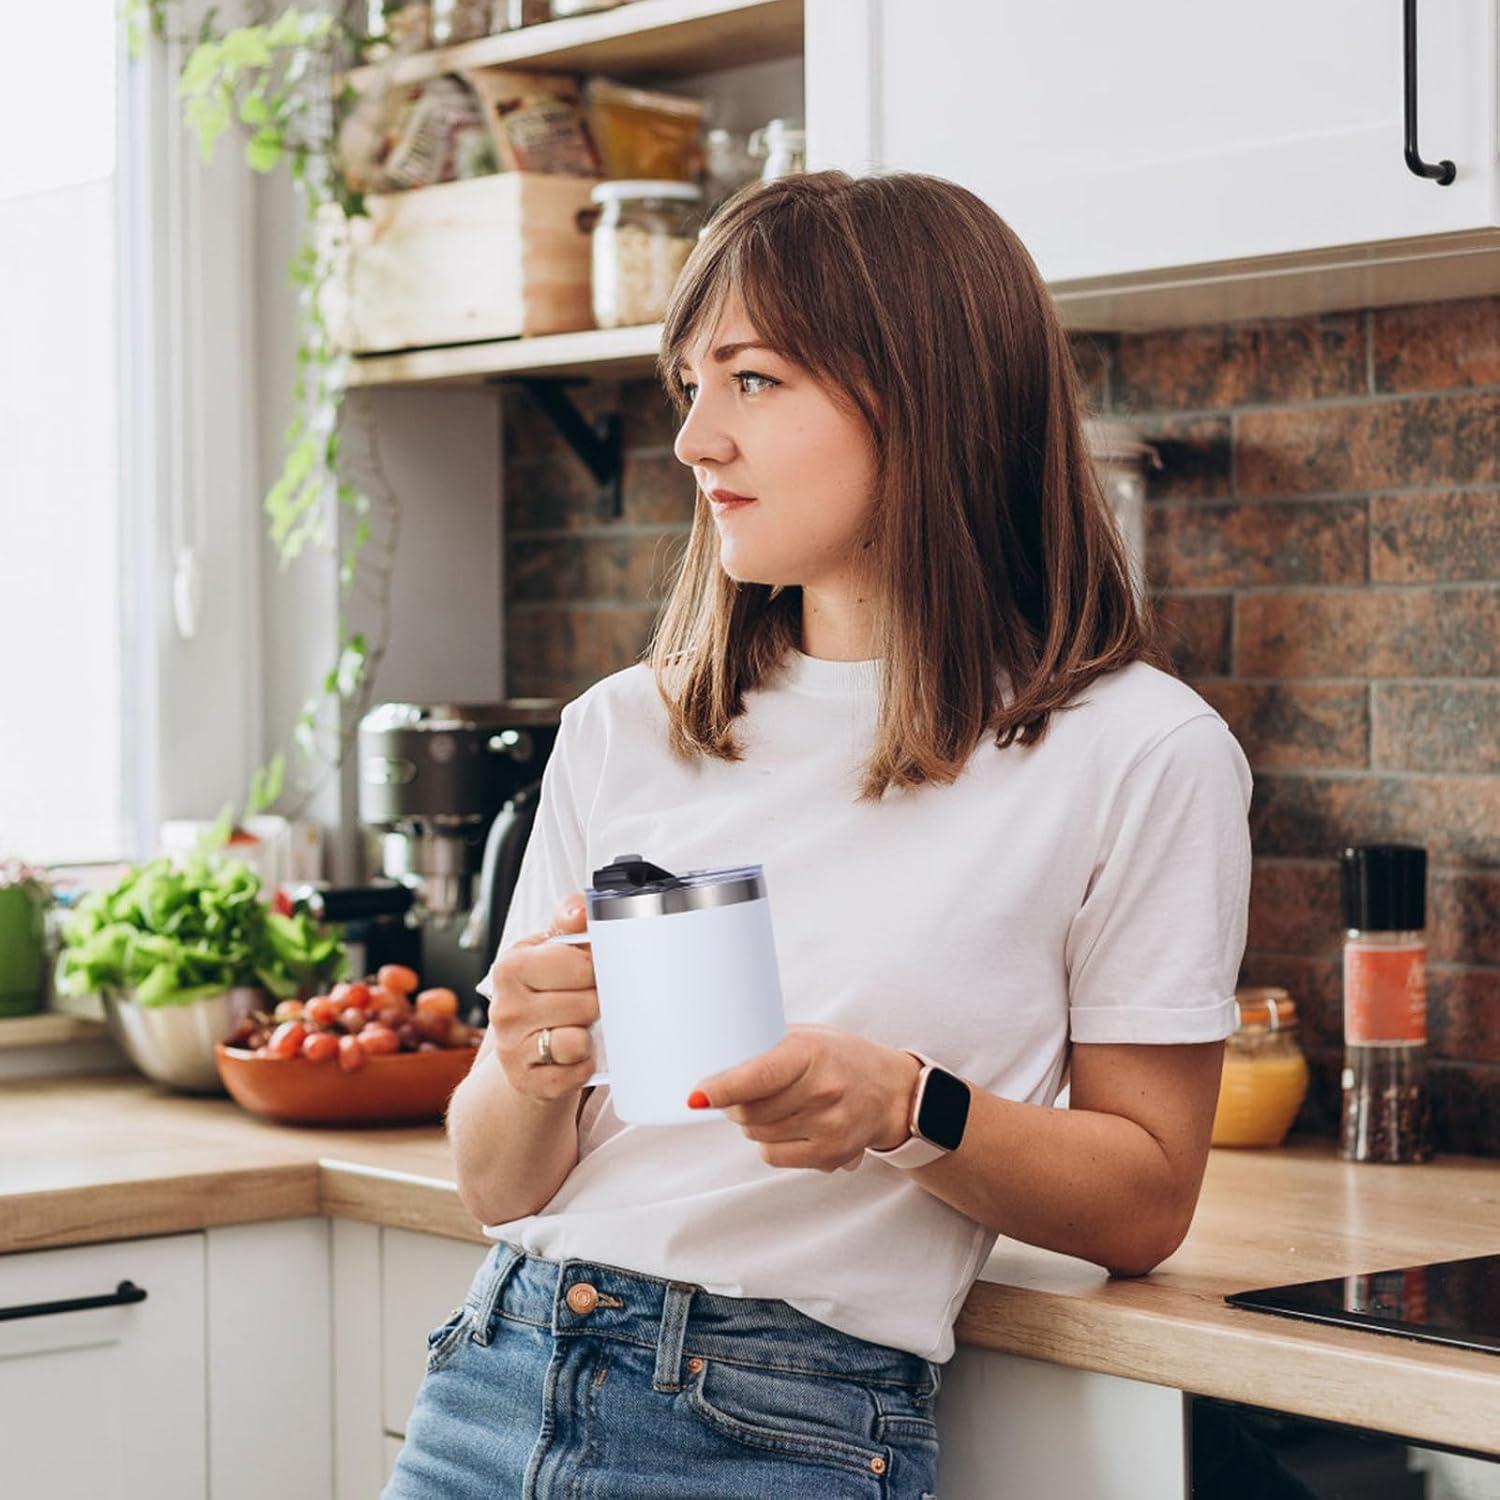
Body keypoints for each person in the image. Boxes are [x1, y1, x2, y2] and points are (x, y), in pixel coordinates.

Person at [382, 169, 1252, 1499]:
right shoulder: (630, 726)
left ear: (929, 400)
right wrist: (531, 1059)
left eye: (754, 381)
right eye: (690, 385)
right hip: (496, 1378)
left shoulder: (1137, 750)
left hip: (769, 1423)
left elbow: (1144, 1200)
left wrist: (906, 1110)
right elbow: (503, 1186)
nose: (694, 442)